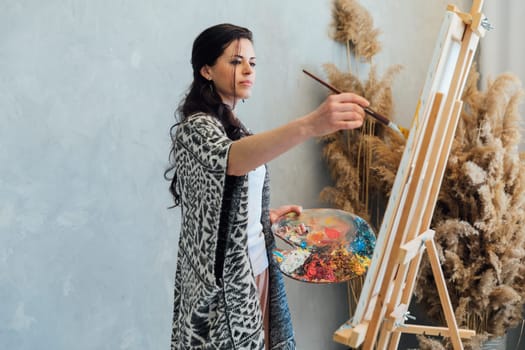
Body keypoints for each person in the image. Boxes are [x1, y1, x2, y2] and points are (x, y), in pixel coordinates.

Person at [166, 23, 368, 350]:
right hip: (227, 286)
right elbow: (230, 160)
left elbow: (226, 198)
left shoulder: (231, 126)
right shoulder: (197, 129)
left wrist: (265, 218)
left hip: (255, 269)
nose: (248, 70)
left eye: (252, 63)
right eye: (235, 62)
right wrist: (310, 125)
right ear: (206, 69)